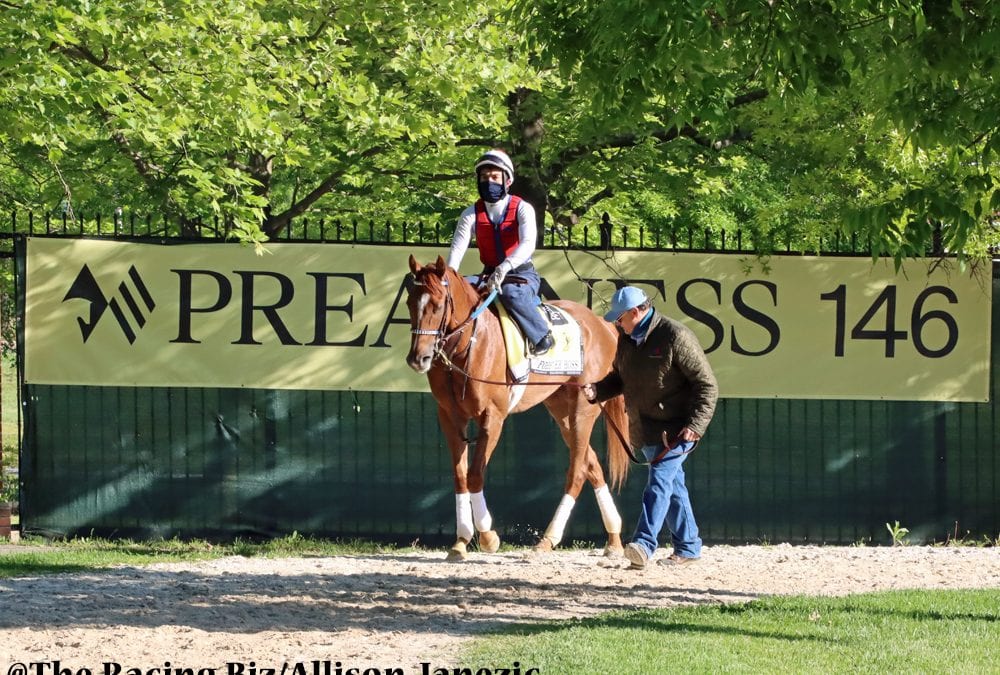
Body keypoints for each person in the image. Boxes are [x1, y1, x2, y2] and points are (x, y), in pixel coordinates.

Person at [582, 286, 718, 569]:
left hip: (679, 429)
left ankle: (643, 544)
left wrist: (695, 424)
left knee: (658, 483)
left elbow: (707, 385)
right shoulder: (627, 339)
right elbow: (619, 378)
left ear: (636, 311)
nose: (617, 324)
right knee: (673, 486)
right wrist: (597, 390)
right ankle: (689, 546)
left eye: (620, 318)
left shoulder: (675, 336)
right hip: (647, 428)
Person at [446, 149, 554, 356]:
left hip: (521, 274)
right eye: (484, 177)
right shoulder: (470, 213)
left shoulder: (523, 208)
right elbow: (458, 247)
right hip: (488, 275)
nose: (489, 182)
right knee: (457, 294)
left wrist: (505, 267)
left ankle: (542, 337)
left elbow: (528, 243)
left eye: (495, 177)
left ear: (507, 180)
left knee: (512, 295)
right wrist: (450, 275)